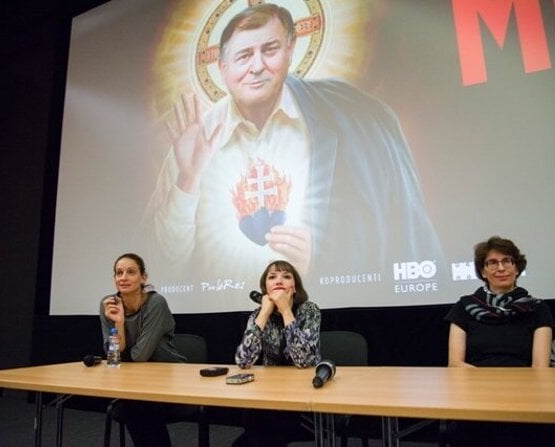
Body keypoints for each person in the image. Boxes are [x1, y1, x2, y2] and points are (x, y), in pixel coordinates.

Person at [139, 3, 443, 299]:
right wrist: (188, 180)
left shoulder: (355, 118)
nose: (257, 66)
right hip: (225, 316)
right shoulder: (196, 138)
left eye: (269, 50)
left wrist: (322, 260)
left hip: (320, 313)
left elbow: (402, 238)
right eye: (244, 55)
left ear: (290, 49)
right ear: (222, 67)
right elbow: (163, 266)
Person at [443, 236, 555, 446]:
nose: (501, 268)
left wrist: (512, 392)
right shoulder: (463, 307)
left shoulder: (538, 309)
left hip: (527, 397)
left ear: (517, 268)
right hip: (477, 396)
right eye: (492, 262)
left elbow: (540, 367)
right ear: (483, 271)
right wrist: (489, 388)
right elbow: (455, 364)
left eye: (507, 261)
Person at [99, 253, 185, 446]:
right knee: (136, 405)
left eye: (131, 272)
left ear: (143, 278)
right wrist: (119, 323)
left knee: (137, 407)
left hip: (168, 379)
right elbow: (113, 357)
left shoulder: (156, 303)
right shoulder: (109, 304)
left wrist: (122, 355)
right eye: (119, 273)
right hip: (134, 383)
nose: (123, 277)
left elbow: (140, 356)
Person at [233, 260, 321, 446]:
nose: (278, 280)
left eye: (286, 276)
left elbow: (303, 360)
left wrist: (285, 310)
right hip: (269, 393)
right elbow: (243, 360)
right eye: (272, 277)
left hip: (304, 393)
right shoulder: (257, 315)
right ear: (265, 288)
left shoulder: (309, 311)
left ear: (294, 287)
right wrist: (264, 314)